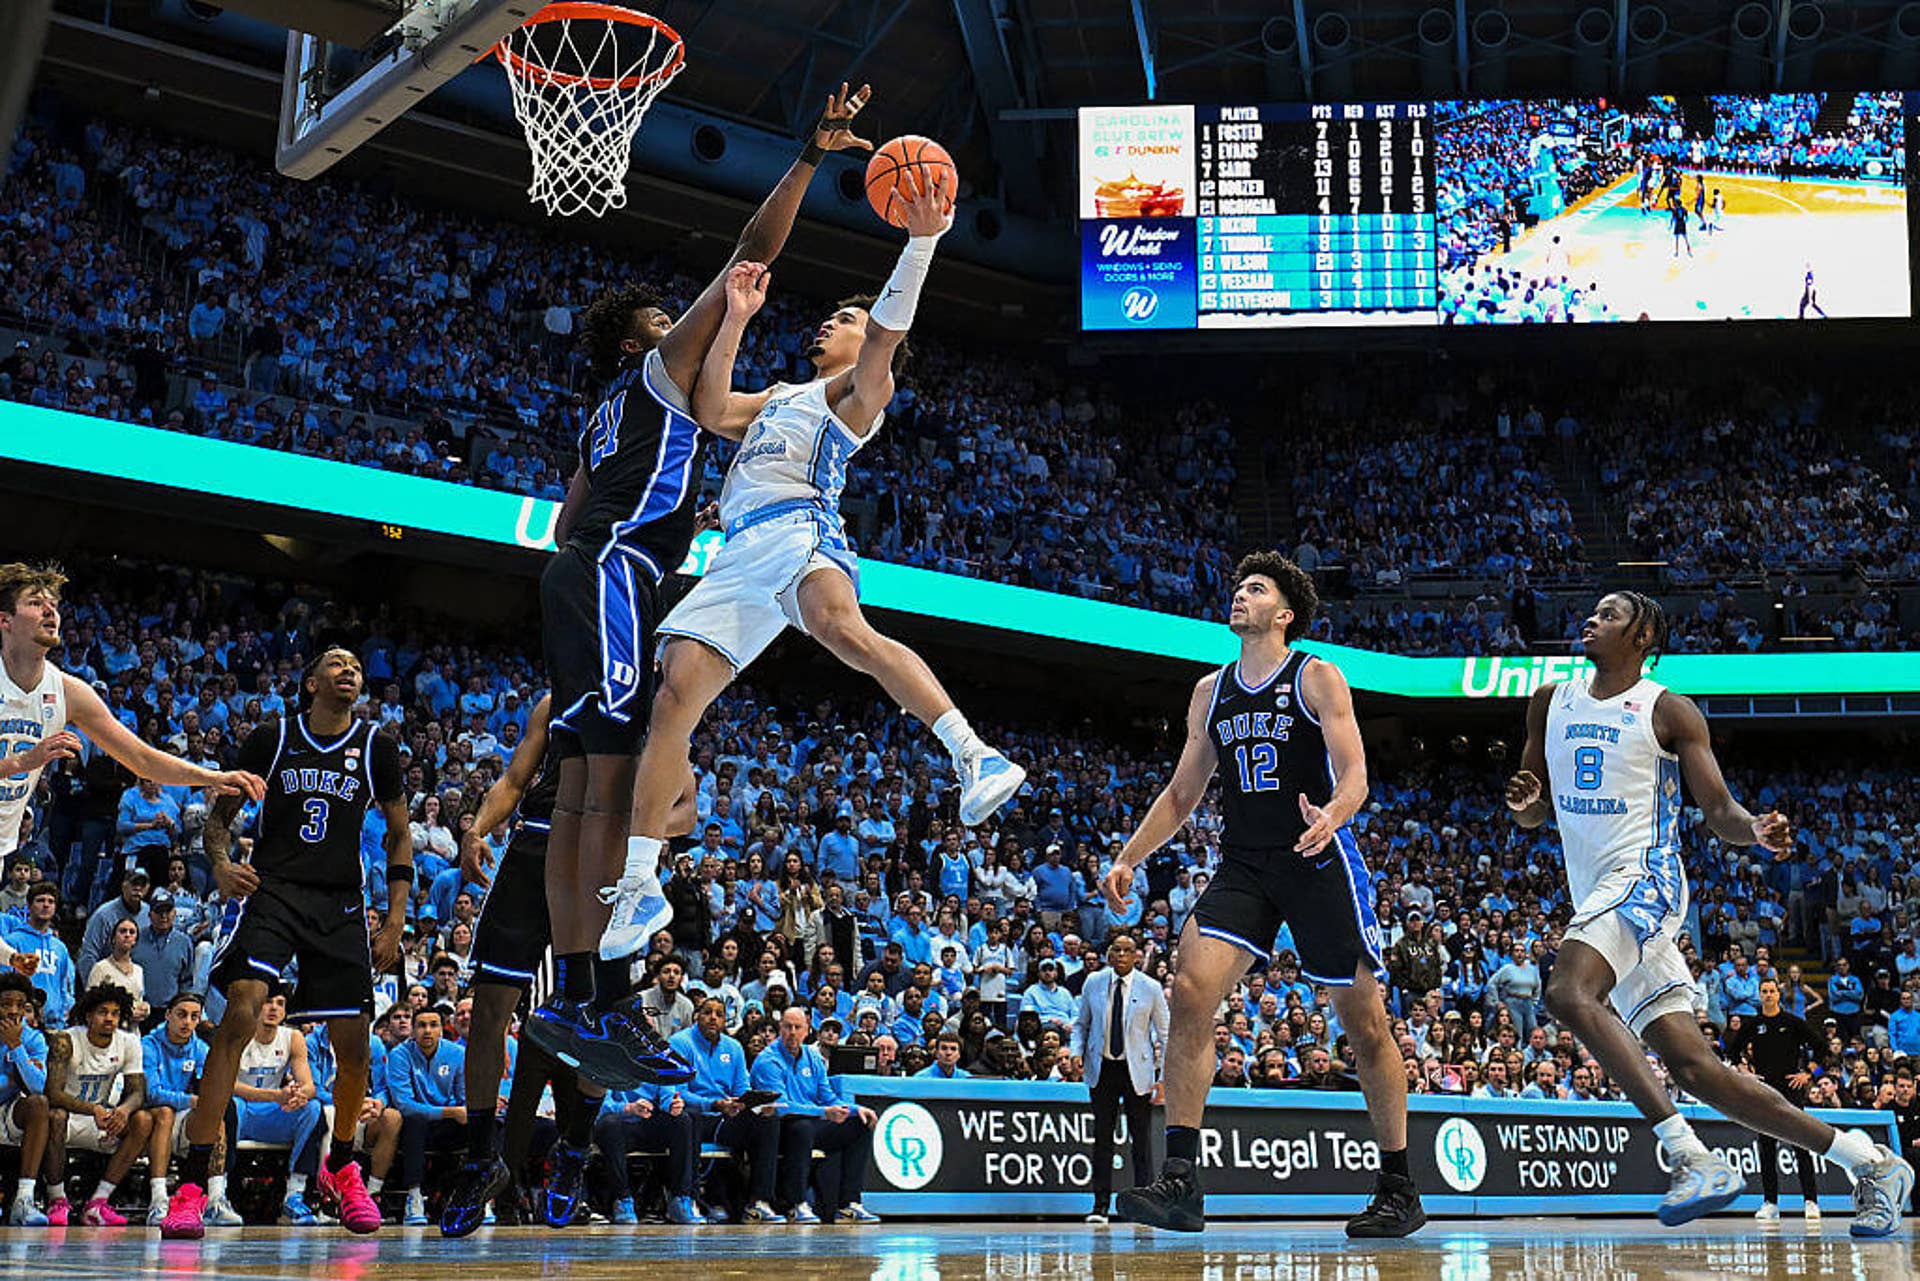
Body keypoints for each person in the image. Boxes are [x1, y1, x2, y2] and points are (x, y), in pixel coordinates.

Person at [526, 85, 881, 1090]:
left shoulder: (605, 413)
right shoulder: (656, 375)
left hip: (586, 571)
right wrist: (808, 157)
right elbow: (748, 257)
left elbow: (564, 519)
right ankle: (602, 998)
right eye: (663, 320)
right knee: (609, 789)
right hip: (617, 572)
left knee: (582, 793)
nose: (682, 320)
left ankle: (577, 997)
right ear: (641, 343)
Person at [618, 178, 1025, 964]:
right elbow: (710, 409)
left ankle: (973, 752)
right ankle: (640, 880)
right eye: (833, 316)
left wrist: (921, 242)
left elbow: (885, 336)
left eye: (846, 318)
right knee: (673, 698)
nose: (829, 323)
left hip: (801, 529)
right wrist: (736, 317)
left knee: (842, 628)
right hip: (738, 554)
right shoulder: (780, 394)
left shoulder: (860, 392)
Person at [1506, 590, 1911, 1237]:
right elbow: (1532, 813)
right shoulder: (1549, 701)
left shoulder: (1668, 710)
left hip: (1646, 880)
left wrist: (1756, 830)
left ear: (1642, 637)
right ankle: (1872, 1164)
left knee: (1566, 992)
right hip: (1601, 897)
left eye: (1610, 614)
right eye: (1594, 611)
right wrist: (1524, 802)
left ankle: (1691, 1157)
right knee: (1697, 1070)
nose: (1592, 619)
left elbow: (1718, 809)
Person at [1102, 552, 1423, 1238]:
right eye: (1239, 586)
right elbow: (1183, 793)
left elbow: (1356, 772)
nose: (1239, 595)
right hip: (1245, 864)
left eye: (1255, 588)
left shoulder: (1315, 675)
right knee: (1191, 990)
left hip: (1316, 857)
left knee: (1365, 1023)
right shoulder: (1209, 690)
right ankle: (1181, 1180)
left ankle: (1399, 1185)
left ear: (1284, 614)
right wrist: (1131, 854)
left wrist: (1334, 813)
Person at [163, 647, 408, 1240]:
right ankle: (192, 1184)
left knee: (355, 1046)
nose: (349, 670)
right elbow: (218, 821)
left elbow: (400, 834)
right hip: (274, 891)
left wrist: (396, 921)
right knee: (239, 1014)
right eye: (336, 663)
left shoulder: (375, 747)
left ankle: (342, 1166)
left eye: (356, 665)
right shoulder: (272, 738)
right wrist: (222, 864)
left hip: (341, 902)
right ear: (311, 682)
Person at [0, 562, 265, 862]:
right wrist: (22, 762)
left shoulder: (68, 691)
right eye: (36, 603)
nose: (50, 611)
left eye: (53, 604)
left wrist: (214, 777)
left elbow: (141, 759)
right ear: (5, 620)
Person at [749, 1008, 880, 1225]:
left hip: (811, 1122)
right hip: (777, 1128)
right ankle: (796, 1204)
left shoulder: (813, 1058)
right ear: (780, 1029)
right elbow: (781, 1107)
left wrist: (856, 1109)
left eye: (797, 1027)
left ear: (807, 1031)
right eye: (787, 1027)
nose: (792, 1032)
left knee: (859, 1125)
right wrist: (823, 1112)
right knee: (802, 1128)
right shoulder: (767, 1061)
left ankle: (849, 1204)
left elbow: (828, 1097)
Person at [1071, 932, 1167, 1224]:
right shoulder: (1094, 981)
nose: (1122, 956)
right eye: (1117, 950)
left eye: (1128, 951)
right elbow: (1081, 1024)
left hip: (1137, 1070)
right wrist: (1076, 1052)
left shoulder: (1151, 987)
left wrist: (1163, 1077)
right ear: (1109, 954)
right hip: (1102, 1068)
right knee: (1102, 1138)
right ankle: (1100, 1206)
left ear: (1137, 955)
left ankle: (1143, 1205)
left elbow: (1165, 1034)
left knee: (1141, 1140)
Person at [42, 982, 154, 1225]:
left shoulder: (128, 1042)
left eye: (115, 1013)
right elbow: (52, 1093)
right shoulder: (66, 1040)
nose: (110, 1019)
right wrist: (93, 1109)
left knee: (143, 1120)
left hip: (100, 1118)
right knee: (55, 1116)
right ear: (88, 1015)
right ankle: (56, 1200)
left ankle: (98, 1203)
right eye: (103, 1012)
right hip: (69, 1117)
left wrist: (123, 1110)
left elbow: (137, 1091)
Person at [1728, 976, 1834, 1223]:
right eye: (1764, 991)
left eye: (1772, 991)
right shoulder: (1753, 1024)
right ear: (1759, 995)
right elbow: (1732, 1050)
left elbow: (1821, 1048)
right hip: (1764, 1091)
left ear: (1778, 994)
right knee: (1766, 1147)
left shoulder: (1792, 1022)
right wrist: (1744, 1071)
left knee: (1801, 1145)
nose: (1768, 995)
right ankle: (1770, 1202)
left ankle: (1810, 1201)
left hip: (1791, 1089)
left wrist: (1808, 1074)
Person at [670, 996, 781, 1223]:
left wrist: (749, 1103)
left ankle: (759, 1202)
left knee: (767, 1121)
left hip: (727, 1116)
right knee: (688, 1118)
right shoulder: (680, 1043)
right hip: (696, 1114)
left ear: (725, 1020)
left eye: (719, 1014)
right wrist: (712, 1104)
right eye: (707, 1013)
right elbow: (678, 1093)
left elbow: (742, 1088)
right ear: (697, 1016)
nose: (713, 1018)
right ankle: (688, 1199)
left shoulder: (734, 1047)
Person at [232, 993, 328, 1224]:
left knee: (312, 1108)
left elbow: (309, 1086)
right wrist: (275, 1095)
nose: (273, 1008)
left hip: (272, 1114)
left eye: (280, 1004)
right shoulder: (237, 1034)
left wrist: (299, 1095)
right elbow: (227, 1085)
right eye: (268, 1002)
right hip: (241, 1109)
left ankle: (294, 1194)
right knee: (229, 1105)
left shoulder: (293, 1037)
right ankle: (219, 1193)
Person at [388, 1005, 467, 1226]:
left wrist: (459, 1112)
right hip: (416, 1124)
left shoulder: (457, 1054)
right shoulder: (399, 1055)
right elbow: (404, 1105)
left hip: (448, 1123)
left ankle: (479, 1197)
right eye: (421, 1025)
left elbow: (463, 1097)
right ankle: (414, 1197)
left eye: (433, 1025)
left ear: (442, 1029)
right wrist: (450, 1112)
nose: (427, 1031)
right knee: (414, 1122)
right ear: (413, 1030)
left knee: (484, 1125)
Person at [592, 1078, 705, 1225]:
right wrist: (629, 1108)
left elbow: (667, 1094)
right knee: (609, 1124)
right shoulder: (609, 1064)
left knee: (683, 1119)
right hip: (621, 1124)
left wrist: (672, 1105)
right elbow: (601, 1106)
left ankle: (680, 1198)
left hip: (651, 1121)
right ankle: (622, 1199)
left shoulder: (660, 1064)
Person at [0, 969, 53, 1225]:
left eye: (20, 1005)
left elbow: (38, 1087)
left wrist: (16, 1047)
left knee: (39, 1105)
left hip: (7, 1111)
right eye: (6, 1004)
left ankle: (24, 1200)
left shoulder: (33, 1038)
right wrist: (8, 1080)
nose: (14, 1011)